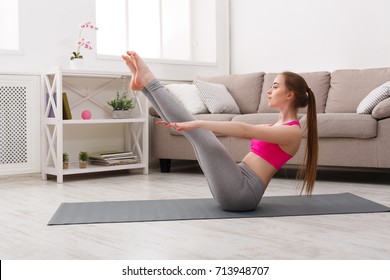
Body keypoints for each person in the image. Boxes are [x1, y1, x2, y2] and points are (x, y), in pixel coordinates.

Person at [122, 51, 318, 212]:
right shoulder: (275, 127)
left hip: (242, 193)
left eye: (275, 87)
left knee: (200, 132)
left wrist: (199, 123)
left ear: (290, 95)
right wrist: (195, 125)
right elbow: (241, 129)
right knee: (196, 134)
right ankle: (146, 87)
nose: (269, 90)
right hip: (237, 180)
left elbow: (243, 129)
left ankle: (149, 83)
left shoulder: (292, 132)